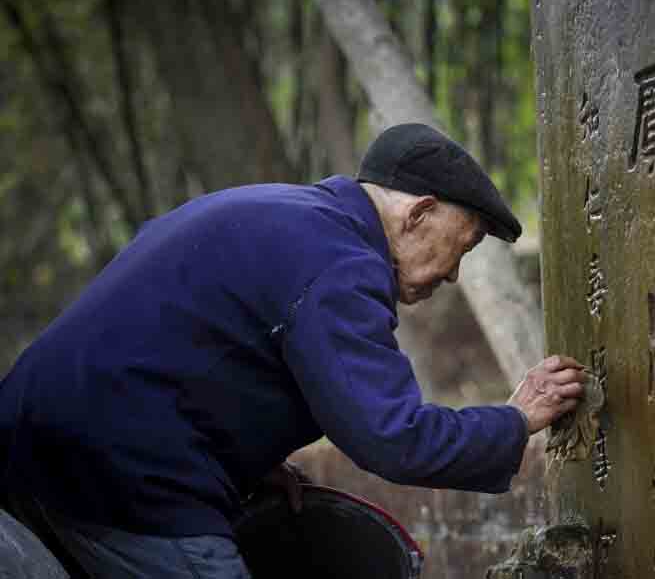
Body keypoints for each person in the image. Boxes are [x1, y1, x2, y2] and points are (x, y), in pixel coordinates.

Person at [0, 123, 586, 578]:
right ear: (419, 212)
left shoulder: (291, 218)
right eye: (464, 246)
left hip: (33, 439)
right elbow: (392, 437)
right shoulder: (340, 263)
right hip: (126, 474)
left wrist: (249, 465)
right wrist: (514, 420)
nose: (456, 274)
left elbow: (190, 352)